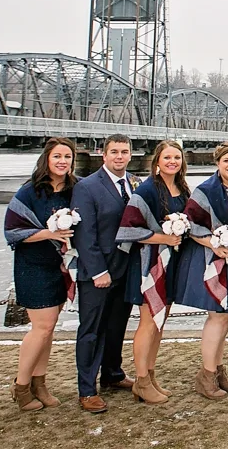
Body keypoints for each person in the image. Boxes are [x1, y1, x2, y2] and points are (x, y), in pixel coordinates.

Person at [2, 137, 78, 411]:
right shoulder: (29, 192)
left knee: (48, 330)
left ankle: (40, 384)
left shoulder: (73, 190)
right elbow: (12, 231)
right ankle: (21, 386)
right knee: (42, 327)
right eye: (57, 156)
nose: (62, 162)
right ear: (46, 159)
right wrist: (49, 234)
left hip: (60, 266)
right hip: (33, 265)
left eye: (67, 157)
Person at [115, 140, 191, 404]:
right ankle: (141, 380)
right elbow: (127, 230)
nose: (172, 162)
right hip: (148, 265)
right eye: (167, 157)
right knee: (148, 323)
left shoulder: (182, 189)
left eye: (177, 158)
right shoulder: (146, 190)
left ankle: (151, 374)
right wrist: (162, 238)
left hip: (171, 264)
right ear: (157, 161)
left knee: (160, 322)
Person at [175, 141, 228, 400]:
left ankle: (219, 371)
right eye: (226, 160)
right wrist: (213, 243)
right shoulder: (205, 190)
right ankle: (206, 376)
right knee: (217, 316)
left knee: (227, 316)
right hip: (212, 259)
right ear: (217, 163)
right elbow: (190, 224)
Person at [70, 134, 138, 413]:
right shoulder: (87, 187)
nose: (119, 156)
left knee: (116, 326)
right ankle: (87, 389)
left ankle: (112, 373)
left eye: (124, 152)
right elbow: (84, 235)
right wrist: (98, 271)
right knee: (91, 330)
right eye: (114, 152)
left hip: (125, 269)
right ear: (103, 154)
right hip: (98, 272)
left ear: (131, 155)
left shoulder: (134, 183)